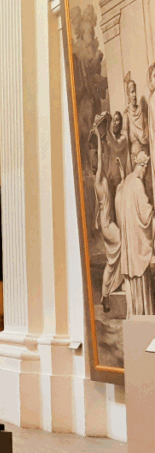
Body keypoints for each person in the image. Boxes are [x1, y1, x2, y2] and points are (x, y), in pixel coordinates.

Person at [115, 151, 155, 316]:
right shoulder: (137, 184)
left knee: (134, 289)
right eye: (146, 168)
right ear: (143, 166)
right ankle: (142, 315)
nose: (146, 172)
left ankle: (136, 314)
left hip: (130, 246)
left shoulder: (128, 181)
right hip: (137, 245)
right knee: (142, 287)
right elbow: (146, 215)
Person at [91, 116, 123, 312]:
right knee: (120, 244)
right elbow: (102, 157)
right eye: (98, 163)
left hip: (107, 221)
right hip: (106, 223)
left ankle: (106, 295)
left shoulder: (102, 180)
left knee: (111, 261)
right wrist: (97, 136)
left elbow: (105, 159)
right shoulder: (98, 180)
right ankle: (108, 292)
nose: (100, 164)